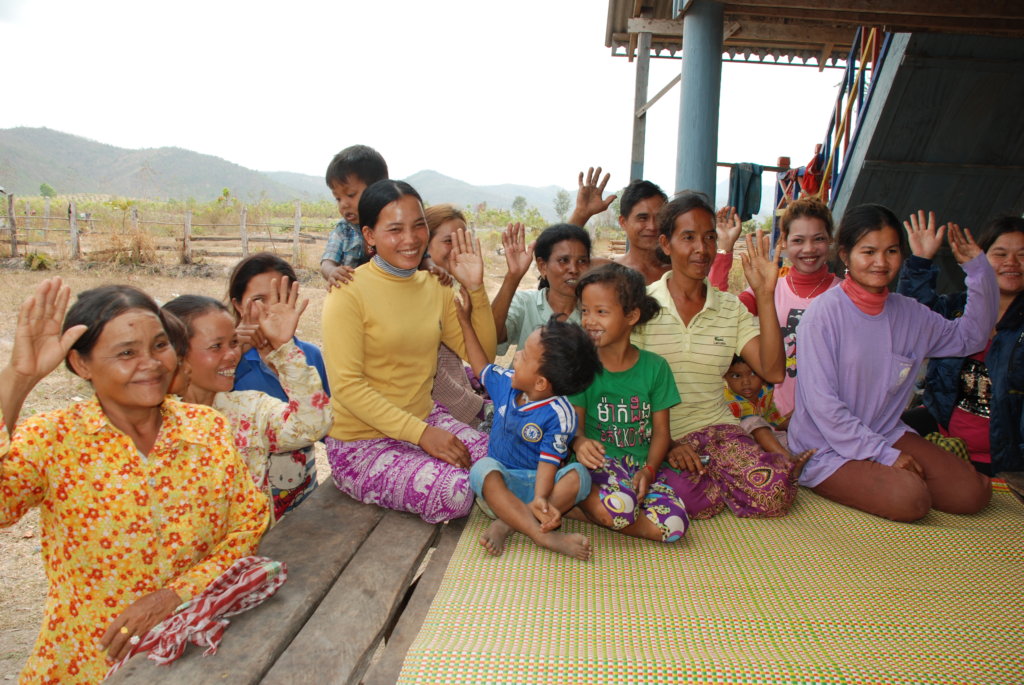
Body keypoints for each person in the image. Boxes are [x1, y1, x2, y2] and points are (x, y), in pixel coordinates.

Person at [0, 280, 268, 683]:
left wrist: (175, 595)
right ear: (81, 364)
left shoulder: (206, 430)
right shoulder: (52, 439)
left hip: (198, 646)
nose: (152, 363)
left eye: (159, 346)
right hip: (92, 659)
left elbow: (248, 525)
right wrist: (18, 379)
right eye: (127, 353)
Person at [789, 204, 997, 522]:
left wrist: (978, 270)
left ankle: (893, 476)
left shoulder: (911, 313)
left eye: (891, 251)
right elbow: (824, 407)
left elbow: (971, 339)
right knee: (911, 499)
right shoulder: (823, 314)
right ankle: (837, 479)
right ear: (844, 255)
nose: (881, 262)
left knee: (973, 493)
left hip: (885, 432)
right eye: (868, 251)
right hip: (826, 446)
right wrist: (884, 456)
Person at [322, 180, 497, 524]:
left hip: (425, 420)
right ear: (369, 236)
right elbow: (348, 387)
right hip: (362, 443)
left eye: (418, 226)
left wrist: (475, 289)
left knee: (501, 458)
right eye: (395, 229)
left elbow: (483, 359)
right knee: (457, 492)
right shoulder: (347, 294)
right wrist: (422, 435)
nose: (411, 238)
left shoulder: (435, 286)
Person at [632, 192, 801, 520]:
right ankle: (714, 477)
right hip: (656, 434)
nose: (702, 248)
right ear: (666, 244)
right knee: (697, 502)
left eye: (709, 237)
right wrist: (666, 445)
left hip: (718, 431)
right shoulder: (641, 305)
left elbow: (773, 371)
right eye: (689, 238)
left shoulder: (730, 308)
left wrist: (765, 296)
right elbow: (626, 386)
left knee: (774, 494)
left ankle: (725, 472)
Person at [457, 251, 600, 558]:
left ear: (540, 384)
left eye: (523, 356)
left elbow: (550, 462)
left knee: (580, 476)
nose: (516, 356)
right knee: (482, 468)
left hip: (542, 488)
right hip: (502, 487)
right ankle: (541, 535)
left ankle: (508, 524)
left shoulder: (560, 415)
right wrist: (465, 322)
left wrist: (540, 497)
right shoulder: (506, 384)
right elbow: (480, 363)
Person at [163, 278, 331, 523]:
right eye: (216, 347)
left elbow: (312, 425)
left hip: (250, 556)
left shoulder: (248, 409)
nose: (232, 355)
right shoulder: (152, 424)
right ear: (175, 355)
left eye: (233, 343)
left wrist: (284, 348)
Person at [569, 263, 690, 543]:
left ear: (631, 315)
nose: (589, 321)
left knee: (675, 526)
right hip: (596, 466)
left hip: (637, 468)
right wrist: (579, 443)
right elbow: (575, 427)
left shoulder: (655, 368)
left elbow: (661, 433)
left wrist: (649, 470)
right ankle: (582, 499)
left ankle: (575, 508)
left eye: (601, 312)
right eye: (584, 311)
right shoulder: (582, 367)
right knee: (621, 511)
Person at [898, 211, 1024, 475]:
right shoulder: (957, 307)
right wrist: (920, 261)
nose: (1011, 262)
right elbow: (913, 317)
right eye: (1000, 254)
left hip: (1005, 462)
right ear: (981, 259)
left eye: (1022, 255)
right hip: (943, 439)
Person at [710, 197, 841, 417]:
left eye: (818, 239)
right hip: (775, 418)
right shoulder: (768, 289)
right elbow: (720, 312)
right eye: (798, 240)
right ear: (784, 243)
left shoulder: (846, 295)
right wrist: (724, 249)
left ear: (830, 241)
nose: (808, 249)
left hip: (831, 418)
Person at [228, 252, 330, 516]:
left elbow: (327, 428)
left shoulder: (307, 356)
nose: (271, 310)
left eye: (280, 299)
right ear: (238, 305)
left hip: (302, 495)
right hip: (246, 509)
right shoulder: (226, 363)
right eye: (259, 300)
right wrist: (234, 353)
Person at [425, 204, 489, 428]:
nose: (457, 249)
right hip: (439, 418)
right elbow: (435, 379)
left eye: (462, 241)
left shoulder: (446, 289)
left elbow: (482, 354)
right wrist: (482, 408)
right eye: (448, 241)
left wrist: (476, 288)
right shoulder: (421, 293)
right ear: (424, 243)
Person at [492, 222, 591, 354]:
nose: (574, 269)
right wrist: (512, 277)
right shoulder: (525, 303)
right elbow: (493, 338)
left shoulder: (594, 313)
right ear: (542, 266)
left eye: (582, 261)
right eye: (563, 260)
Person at [319, 144, 389, 288]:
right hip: (352, 300)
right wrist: (332, 271)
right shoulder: (343, 230)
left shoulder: (392, 226)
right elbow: (327, 262)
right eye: (338, 198)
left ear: (378, 189)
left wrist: (429, 265)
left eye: (350, 195)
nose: (343, 204)